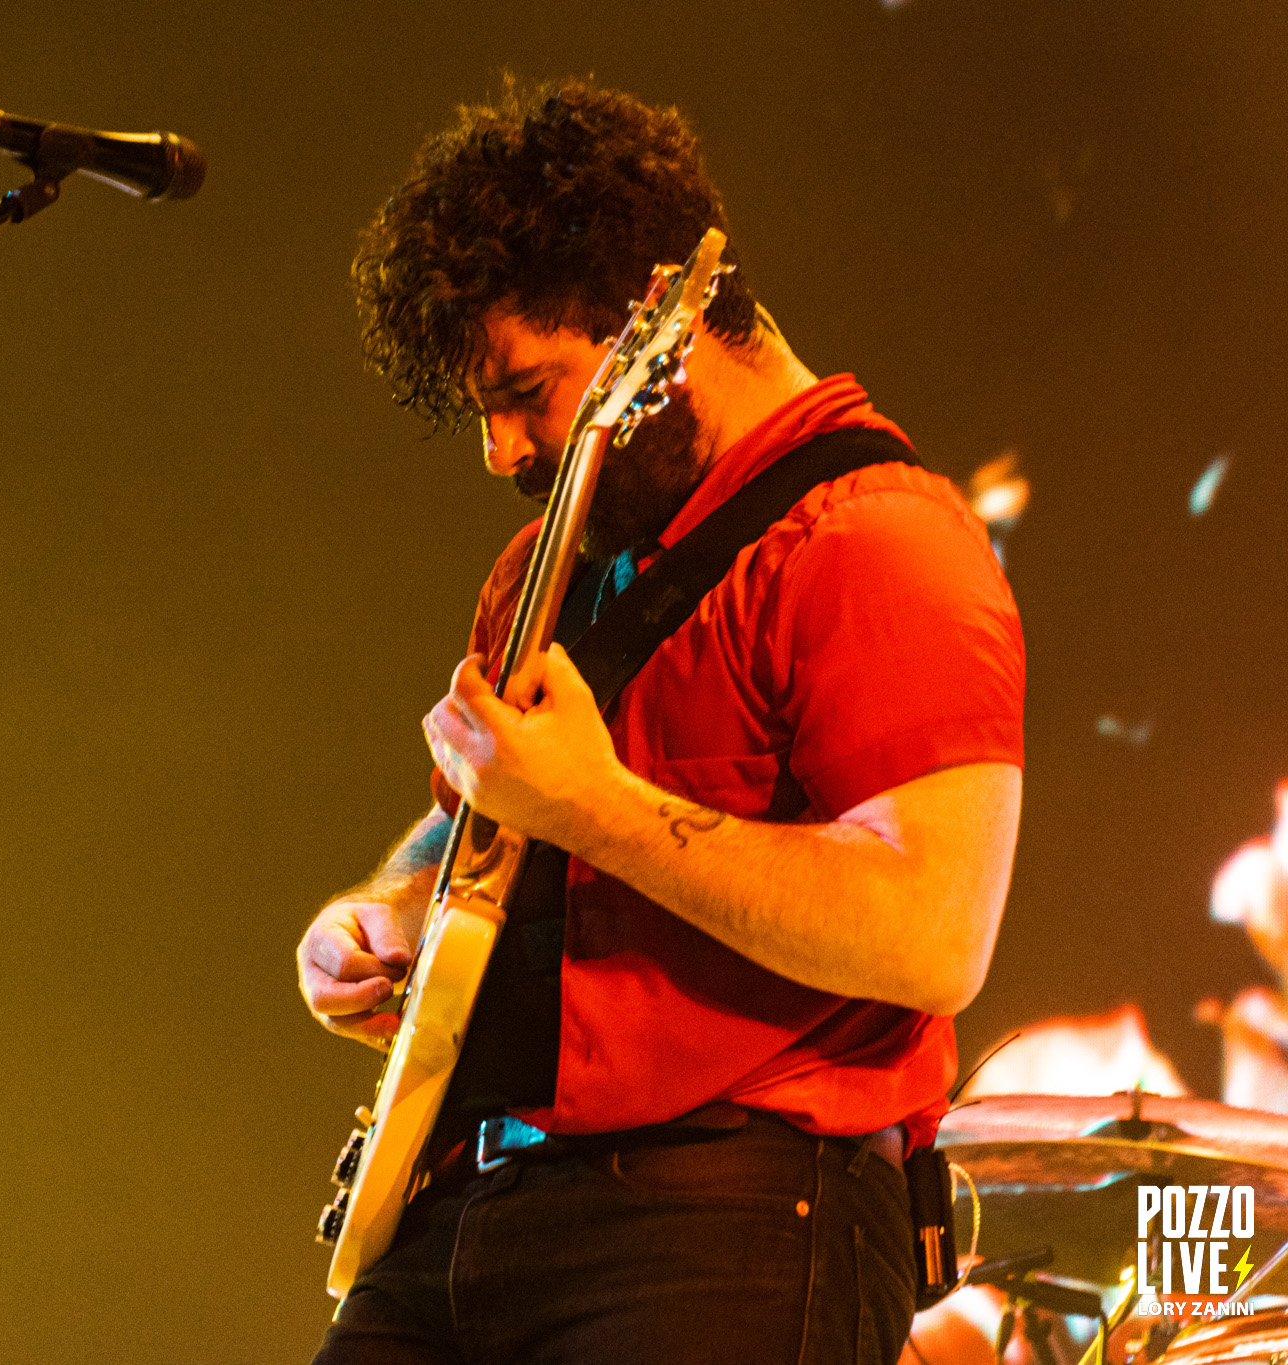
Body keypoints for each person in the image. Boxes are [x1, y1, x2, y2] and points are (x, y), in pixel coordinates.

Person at [294, 78, 1026, 1364]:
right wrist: (385, 913)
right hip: (459, 1207)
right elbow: (470, 834)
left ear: (662, 316)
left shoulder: (879, 541)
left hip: (727, 1214)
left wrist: (602, 811)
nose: (501, 451)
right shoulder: (544, 567)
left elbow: (931, 932)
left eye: (527, 391)